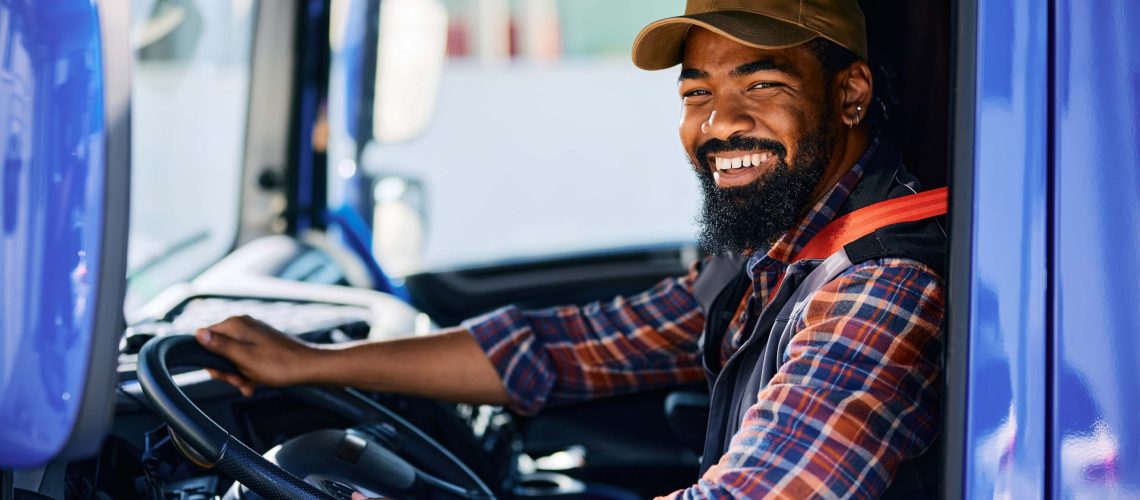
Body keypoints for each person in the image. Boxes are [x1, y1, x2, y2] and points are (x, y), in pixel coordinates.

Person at [195, 0, 947, 497]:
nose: (720, 124)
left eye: (762, 86)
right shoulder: (783, 252)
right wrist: (312, 366)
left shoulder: (881, 287)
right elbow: (573, 346)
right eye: (696, 94)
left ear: (850, 94)